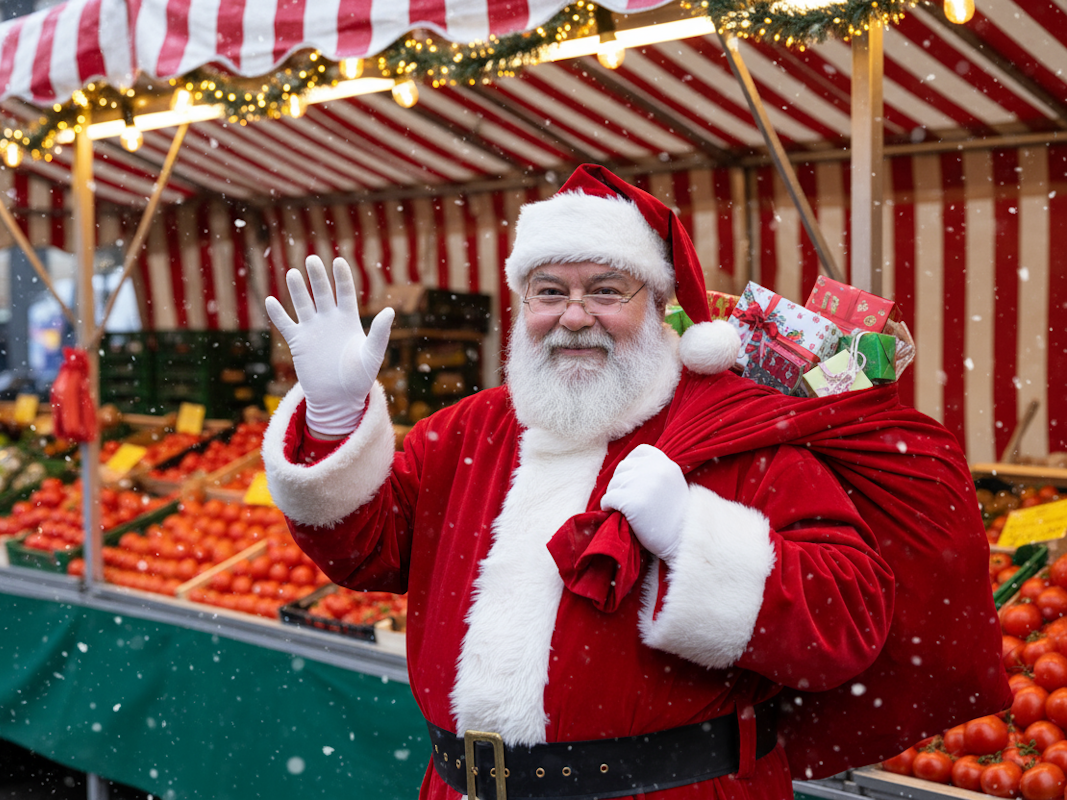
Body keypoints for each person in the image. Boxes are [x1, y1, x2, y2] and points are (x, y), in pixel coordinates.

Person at [262, 165, 1008, 800]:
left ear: (658, 308)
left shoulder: (737, 435)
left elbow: (845, 622)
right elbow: (366, 552)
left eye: (606, 289)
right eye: (547, 291)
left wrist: (695, 540)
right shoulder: (468, 431)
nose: (573, 317)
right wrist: (334, 418)